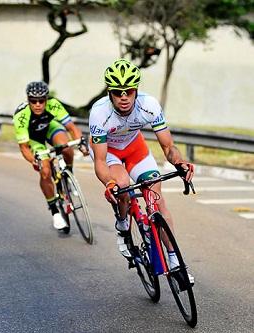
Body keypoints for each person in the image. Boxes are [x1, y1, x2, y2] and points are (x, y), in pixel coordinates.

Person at [89, 59, 194, 271]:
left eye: (129, 90)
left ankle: (174, 258)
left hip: (135, 147)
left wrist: (180, 162)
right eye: (118, 92)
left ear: (136, 89)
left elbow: (168, 147)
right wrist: (109, 183)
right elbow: (100, 161)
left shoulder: (149, 105)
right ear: (110, 93)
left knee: (157, 199)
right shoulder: (99, 112)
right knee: (122, 185)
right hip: (109, 152)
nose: (124, 97)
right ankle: (122, 223)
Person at [13, 81, 88, 231]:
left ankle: (69, 174)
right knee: (45, 171)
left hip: (50, 128)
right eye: (34, 101)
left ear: (47, 99)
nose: (38, 104)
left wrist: (81, 143)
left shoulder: (53, 104)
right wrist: (34, 160)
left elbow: (72, 128)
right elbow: (24, 147)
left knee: (66, 146)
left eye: (42, 100)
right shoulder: (21, 116)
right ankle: (54, 211)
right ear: (28, 100)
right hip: (34, 139)